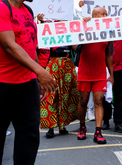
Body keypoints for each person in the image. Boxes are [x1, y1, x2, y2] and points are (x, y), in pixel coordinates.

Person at [0, 0, 56, 165]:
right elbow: (9, 45)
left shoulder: (28, 11)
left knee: (30, 134)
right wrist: (40, 71)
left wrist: (36, 76)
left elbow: (31, 46)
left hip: (26, 83)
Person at [76, 7, 114, 145]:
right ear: (95, 16)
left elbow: (109, 55)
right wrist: (84, 26)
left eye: (106, 14)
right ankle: (82, 126)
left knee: (99, 101)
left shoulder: (108, 31)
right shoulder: (84, 26)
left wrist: (111, 74)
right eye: (103, 14)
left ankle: (98, 132)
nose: (106, 16)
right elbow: (75, 46)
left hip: (100, 72)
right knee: (83, 101)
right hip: (85, 71)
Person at [40, 45, 79, 138]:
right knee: (52, 95)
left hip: (67, 65)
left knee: (66, 96)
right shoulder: (49, 31)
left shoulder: (68, 31)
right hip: (53, 64)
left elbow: (76, 48)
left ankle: (62, 126)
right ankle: (51, 127)